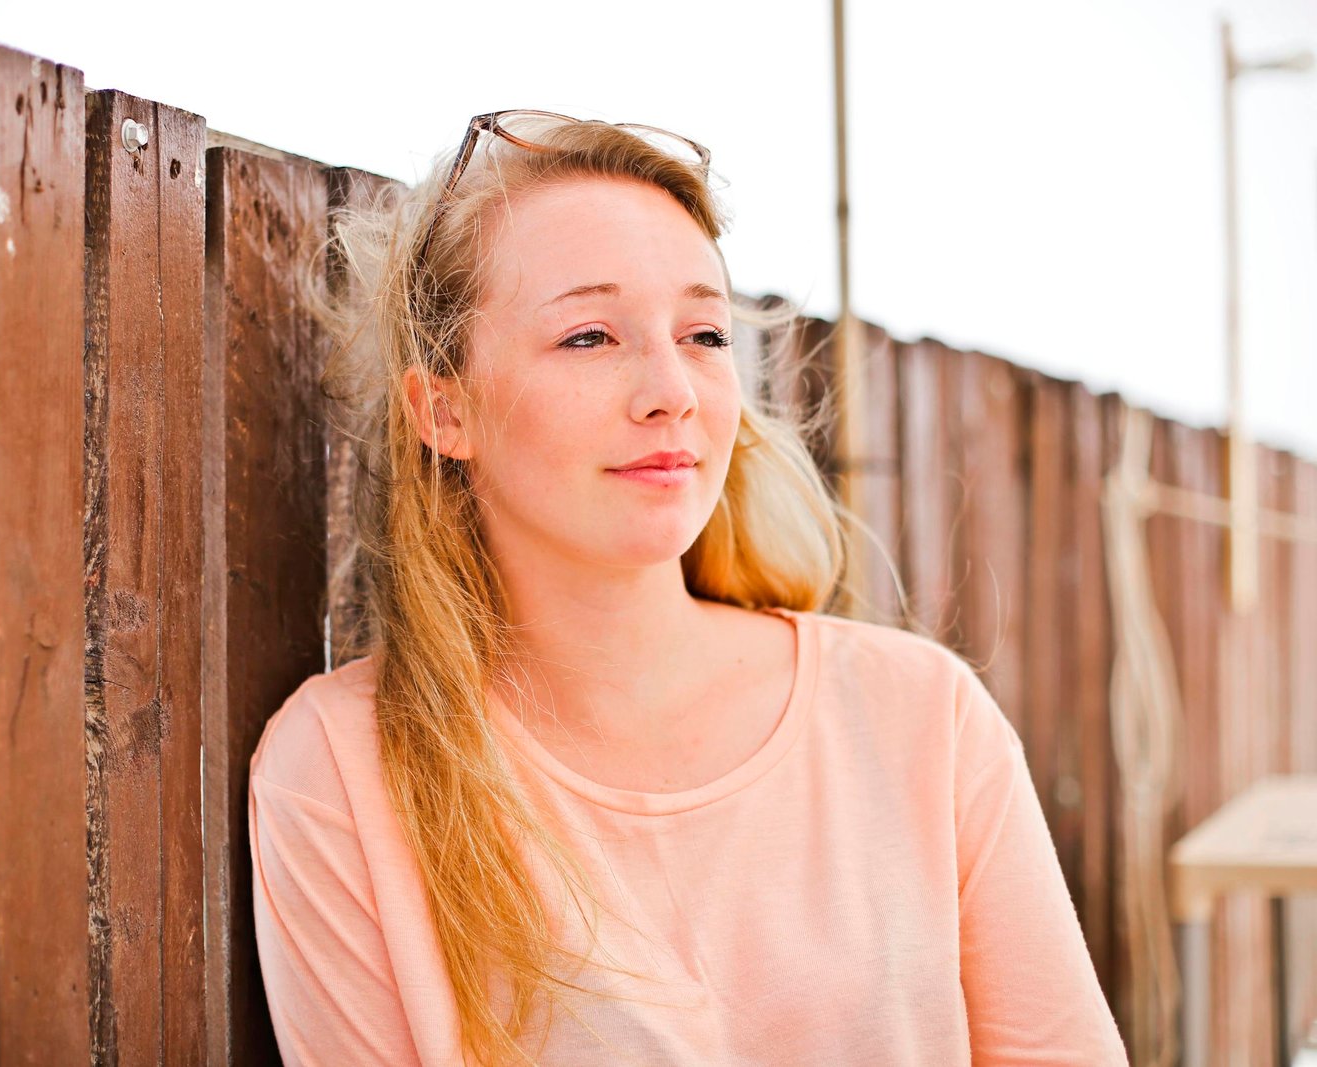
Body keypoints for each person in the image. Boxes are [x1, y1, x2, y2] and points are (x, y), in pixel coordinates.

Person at [248, 110, 1126, 1066]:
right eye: (589, 336)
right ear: (445, 407)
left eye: (704, 332)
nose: (671, 388)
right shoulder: (341, 766)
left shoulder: (923, 717)